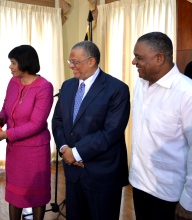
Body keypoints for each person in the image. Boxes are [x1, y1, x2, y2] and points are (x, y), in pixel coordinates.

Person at [51, 41, 130, 220]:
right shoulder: (68, 85)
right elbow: (57, 121)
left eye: (75, 62)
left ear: (91, 61)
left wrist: (77, 153)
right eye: (69, 61)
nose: (71, 66)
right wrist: (65, 149)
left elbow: (111, 132)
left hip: (102, 173)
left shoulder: (117, 89)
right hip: (73, 173)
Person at [129, 32, 192, 220]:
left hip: (169, 193)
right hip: (139, 184)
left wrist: (190, 200)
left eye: (139, 57)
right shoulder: (140, 85)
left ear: (160, 58)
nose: (134, 62)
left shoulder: (189, 94)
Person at [0, 45, 54, 220]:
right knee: (14, 194)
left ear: (25, 63)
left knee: (37, 195)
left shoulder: (44, 87)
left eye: (13, 62)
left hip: (35, 151)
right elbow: (6, 109)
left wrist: (5, 134)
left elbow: (36, 124)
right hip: (15, 150)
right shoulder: (13, 82)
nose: (10, 66)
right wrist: (0, 119)